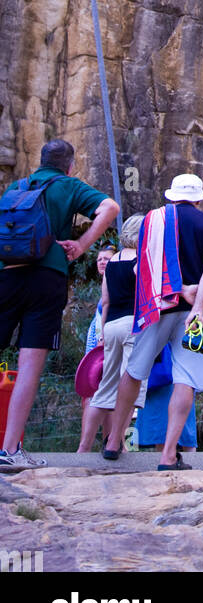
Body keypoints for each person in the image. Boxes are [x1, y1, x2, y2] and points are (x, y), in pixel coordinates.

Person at [0, 138, 119, 472]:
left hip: (6, 276)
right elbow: (110, 208)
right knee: (28, 366)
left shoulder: (15, 188)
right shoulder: (68, 186)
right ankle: (10, 450)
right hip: (46, 278)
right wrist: (81, 244)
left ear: (40, 161)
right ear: (70, 165)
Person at [102, 173, 203, 470]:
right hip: (195, 313)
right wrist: (194, 305)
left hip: (156, 308)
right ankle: (169, 455)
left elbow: (140, 269)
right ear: (198, 199)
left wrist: (176, 289)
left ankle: (113, 441)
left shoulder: (153, 222)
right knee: (186, 380)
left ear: (170, 196)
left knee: (133, 372)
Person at [78, 215, 146, 453]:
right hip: (133, 325)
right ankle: (116, 443)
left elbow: (105, 301)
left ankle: (84, 448)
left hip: (111, 326)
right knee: (130, 386)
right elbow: (145, 295)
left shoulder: (113, 260)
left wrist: (104, 331)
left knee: (105, 387)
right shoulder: (141, 260)